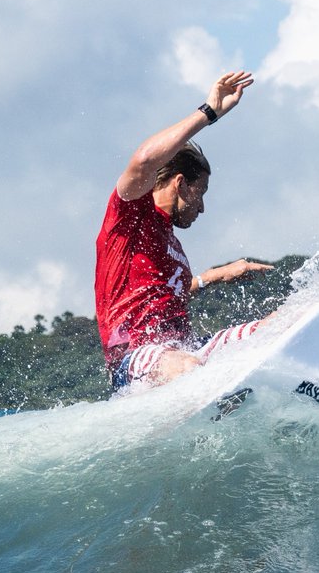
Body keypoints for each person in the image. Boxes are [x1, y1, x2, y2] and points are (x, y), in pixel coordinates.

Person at [95, 72, 273, 391]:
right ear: (180, 184)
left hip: (185, 351)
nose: (202, 207)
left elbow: (161, 295)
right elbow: (145, 159)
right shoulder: (130, 214)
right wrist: (209, 111)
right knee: (192, 370)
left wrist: (215, 276)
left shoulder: (171, 243)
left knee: (276, 328)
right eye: (200, 192)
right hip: (135, 359)